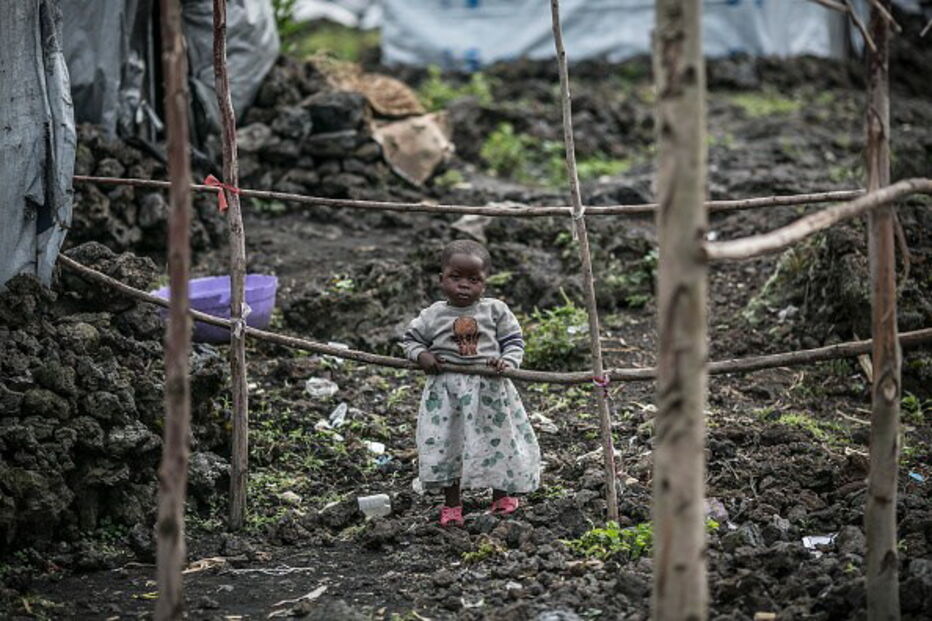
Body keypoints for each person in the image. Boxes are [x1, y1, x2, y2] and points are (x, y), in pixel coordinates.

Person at [402, 240, 541, 527]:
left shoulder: (495, 311)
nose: (464, 285)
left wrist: (506, 362)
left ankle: (501, 496)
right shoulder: (432, 315)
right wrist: (423, 355)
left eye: (473, 280)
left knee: (497, 440)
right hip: (447, 395)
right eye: (456, 277)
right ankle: (452, 504)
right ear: (441, 279)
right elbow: (411, 340)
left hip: (489, 391)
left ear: (485, 284)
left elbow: (514, 341)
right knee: (448, 443)